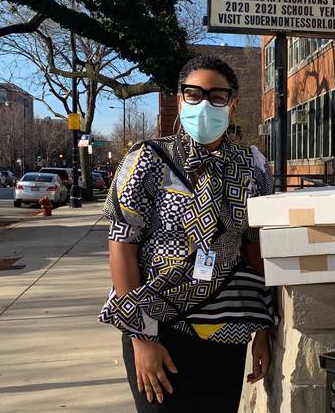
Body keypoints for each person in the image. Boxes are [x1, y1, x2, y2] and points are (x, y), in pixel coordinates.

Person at [99, 55, 277, 412]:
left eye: (216, 96)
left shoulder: (253, 167)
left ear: (232, 103)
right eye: (193, 94)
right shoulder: (147, 160)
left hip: (227, 329)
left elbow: (255, 251)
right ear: (180, 100)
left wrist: (263, 329)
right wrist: (141, 338)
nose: (204, 104)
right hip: (159, 327)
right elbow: (123, 247)